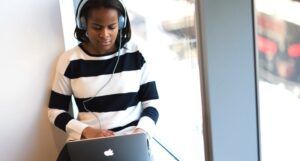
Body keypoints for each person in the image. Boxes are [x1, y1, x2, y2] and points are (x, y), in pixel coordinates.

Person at [48, 0, 159, 160]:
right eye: (97, 27)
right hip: (87, 141)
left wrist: (141, 132)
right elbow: (55, 111)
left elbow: (152, 103)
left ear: (121, 24)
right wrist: (86, 131)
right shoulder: (69, 60)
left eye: (111, 27)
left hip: (130, 140)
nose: (105, 34)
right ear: (84, 24)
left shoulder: (136, 54)